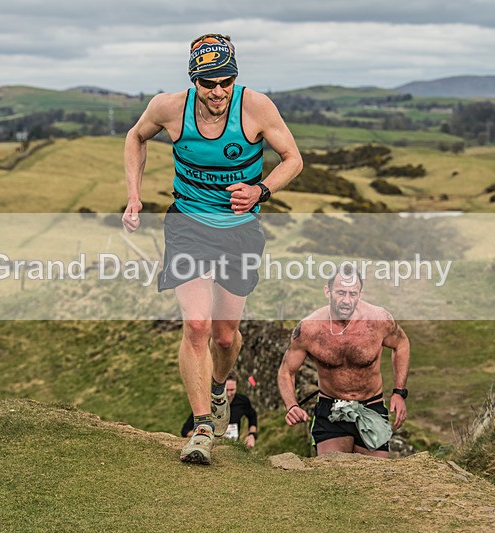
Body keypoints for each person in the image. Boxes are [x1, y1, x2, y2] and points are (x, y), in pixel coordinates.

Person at [123, 34, 302, 464]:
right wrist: (134, 196)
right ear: (194, 81)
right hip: (187, 226)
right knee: (198, 327)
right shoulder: (169, 108)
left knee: (225, 337)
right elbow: (135, 137)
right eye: (208, 82)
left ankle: (220, 388)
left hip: (240, 231)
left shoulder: (255, 107)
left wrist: (260, 189)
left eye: (226, 80)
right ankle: (202, 427)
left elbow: (292, 158)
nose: (218, 91)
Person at [277, 266, 410, 458]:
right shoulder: (309, 329)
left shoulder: (378, 320)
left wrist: (399, 392)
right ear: (327, 291)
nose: (346, 300)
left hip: (371, 406)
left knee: (377, 479)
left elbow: (402, 344)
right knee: (333, 474)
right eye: (340, 293)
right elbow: (286, 370)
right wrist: (292, 405)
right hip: (331, 408)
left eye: (352, 294)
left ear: (360, 294)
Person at [180, 372, 258, 448]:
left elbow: (252, 416)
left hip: (233, 448)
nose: (229, 394)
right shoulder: (208, 403)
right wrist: (210, 435)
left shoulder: (243, 401)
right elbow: (185, 431)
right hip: (213, 447)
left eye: (232, 390)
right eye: (226, 390)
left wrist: (252, 435)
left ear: (237, 387)